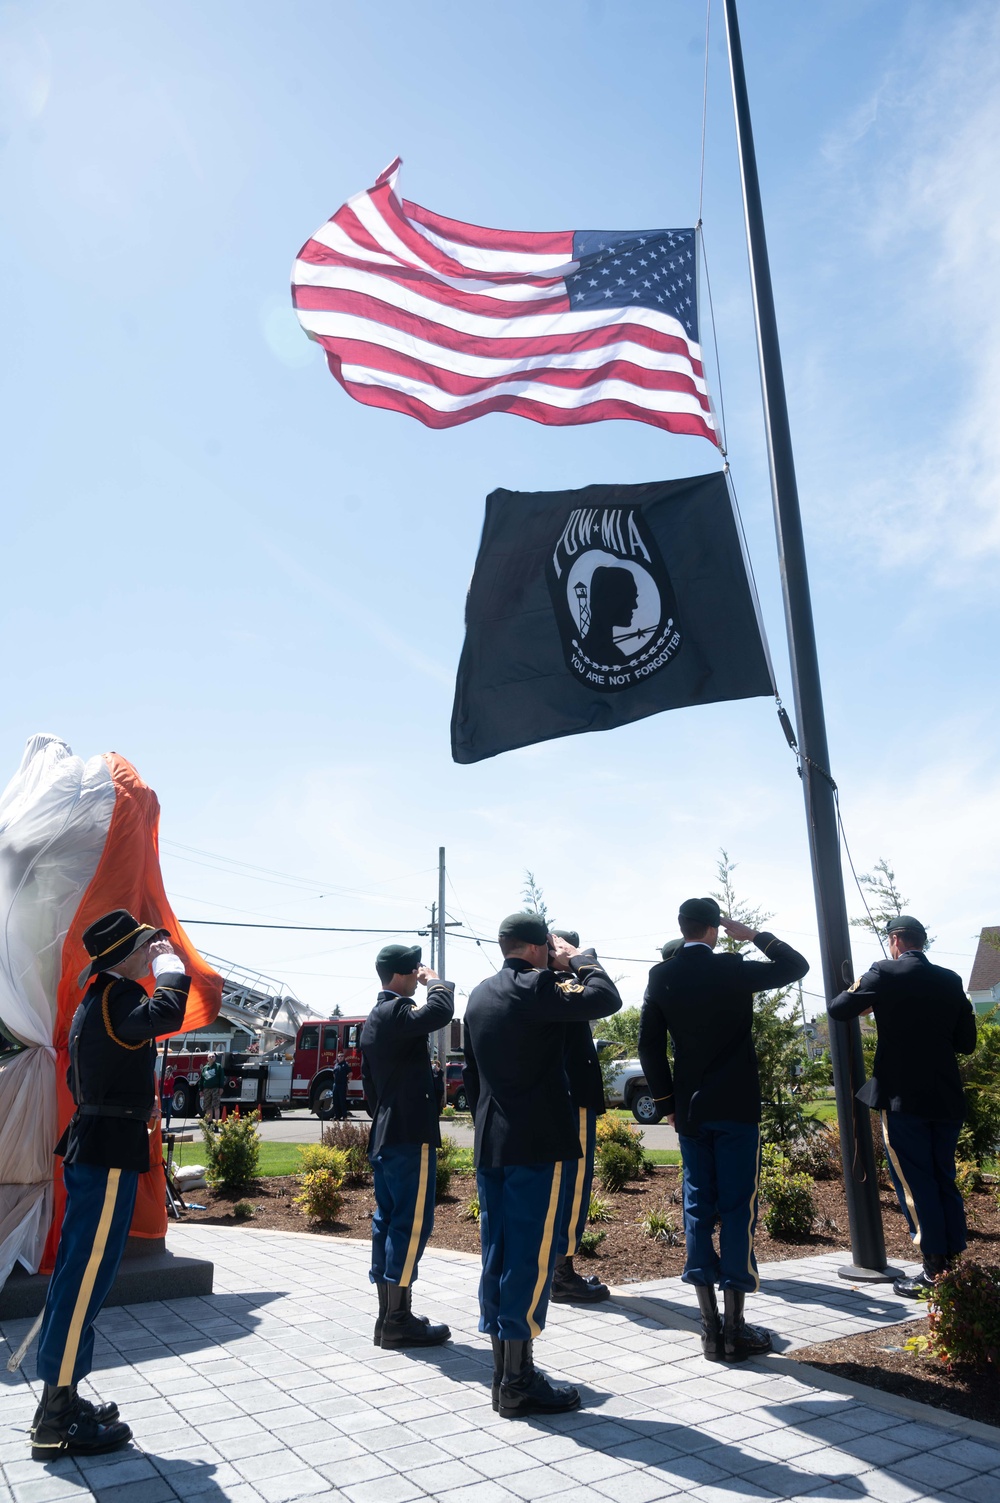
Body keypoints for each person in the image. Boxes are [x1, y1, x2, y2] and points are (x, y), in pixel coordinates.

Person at [31, 910, 190, 1461]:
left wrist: (129, 1097)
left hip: (98, 1142)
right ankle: (55, 1417)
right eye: (146, 946)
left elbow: (83, 1076)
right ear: (126, 953)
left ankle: (64, 1395)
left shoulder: (100, 998)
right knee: (84, 1279)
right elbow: (166, 1011)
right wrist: (171, 966)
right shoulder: (117, 997)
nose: (152, 952)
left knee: (82, 1274)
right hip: (104, 1152)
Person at [464, 913, 622, 1419]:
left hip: (492, 1143)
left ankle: (503, 1371)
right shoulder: (538, 987)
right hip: (536, 1144)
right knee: (531, 1259)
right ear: (537, 948)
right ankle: (519, 1380)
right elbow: (606, 999)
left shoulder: (479, 994)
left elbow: (471, 1076)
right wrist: (578, 958)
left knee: (499, 1254)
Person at [639, 896, 808, 1363]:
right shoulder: (733, 968)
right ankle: (735, 1327)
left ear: (682, 926)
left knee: (697, 1208)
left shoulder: (662, 975)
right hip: (736, 1108)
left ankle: (710, 1328)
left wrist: (668, 1103)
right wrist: (753, 936)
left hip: (690, 1112)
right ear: (714, 929)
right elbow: (796, 966)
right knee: (737, 1209)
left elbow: (649, 1047)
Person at [829, 915, 977, 1298]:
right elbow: (966, 1042)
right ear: (921, 942)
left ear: (895, 941)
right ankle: (952, 1263)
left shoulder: (883, 972)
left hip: (903, 1099)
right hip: (946, 1098)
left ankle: (932, 1269)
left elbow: (839, 1008)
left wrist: (872, 998)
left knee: (916, 1183)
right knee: (943, 1178)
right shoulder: (950, 980)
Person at [360, 943, 455, 1348]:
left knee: (389, 1221)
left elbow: (368, 1087)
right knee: (410, 1224)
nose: (419, 973)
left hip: (387, 1131)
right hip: (407, 1133)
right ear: (402, 974)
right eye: (414, 969)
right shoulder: (395, 1011)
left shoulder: (375, 1017)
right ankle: (398, 1319)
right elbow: (439, 1012)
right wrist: (437, 983)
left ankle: (389, 1316)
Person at [548, 928, 610, 1305]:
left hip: (560, 1100)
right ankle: (563, 1274)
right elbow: (604, 995)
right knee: (573, 1189)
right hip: (575, 1100)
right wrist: (579, 961)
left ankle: (557, 1268)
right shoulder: (561, 986)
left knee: (562, 1187)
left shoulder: (543, 985)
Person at [198, 1052, 224, 1123]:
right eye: (210, 1057)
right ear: (207, 1058)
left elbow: (221, 1078)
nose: (211, 1058)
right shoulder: (205, 1068)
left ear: (215, 1058)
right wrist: (201, 1090)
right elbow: (202, 1079)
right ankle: (209, 1122)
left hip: (215, 1088)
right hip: (206, 1089)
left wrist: (221, 1087)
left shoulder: (218, 1067)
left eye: (213, 1056)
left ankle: (216, 1123)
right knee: (207, 1107)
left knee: (216, 1106)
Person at [331, 1052, 350, 1120]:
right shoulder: (336, 1065)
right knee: (335, 1101)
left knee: (342, 1101)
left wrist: (348, 1080)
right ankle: (336, 1116)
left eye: (342, 1056)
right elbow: (334, 1074)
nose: (340, 1057)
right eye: (339, 1056)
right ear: (337, 1057)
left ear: (344, 1057)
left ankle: (344, 1116)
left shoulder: (346, 1065)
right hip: (335, 1085)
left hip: (342, 1084)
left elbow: (350, 1073)